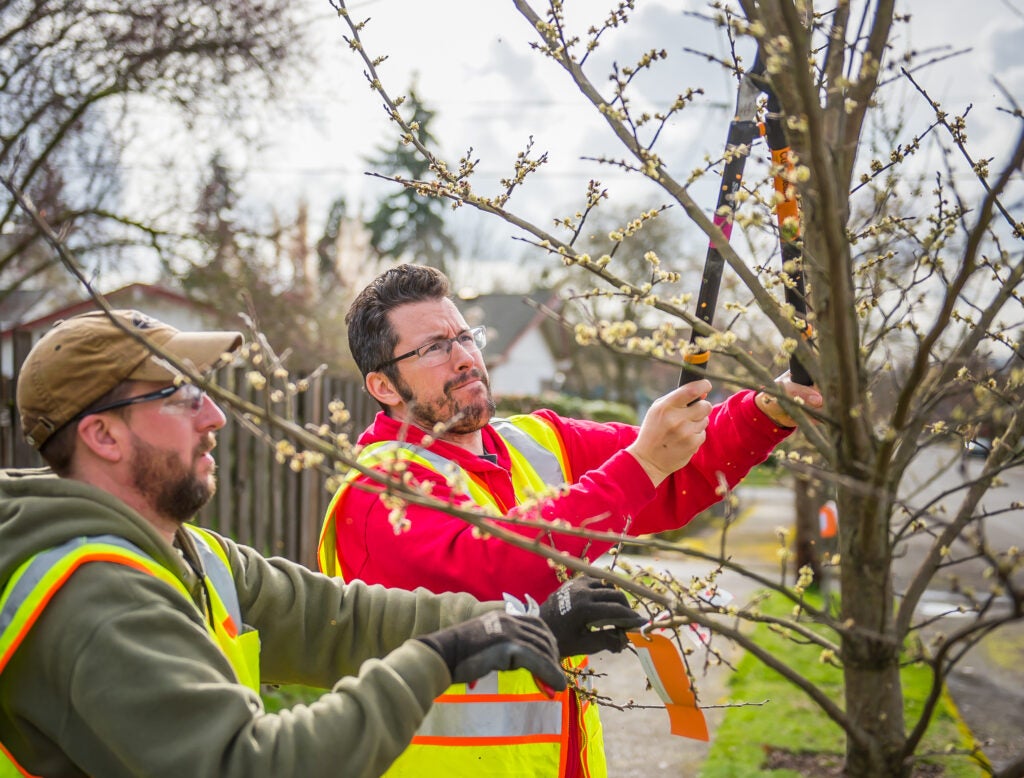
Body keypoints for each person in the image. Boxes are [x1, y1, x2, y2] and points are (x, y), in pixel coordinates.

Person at [0, 309, 642, 778]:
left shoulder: (191, 555)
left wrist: (522, 625)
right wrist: (438, 660)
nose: (215, 416)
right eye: (185, 396)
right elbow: (249, 766)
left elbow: (341, 620)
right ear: (104, 438)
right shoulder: (91, 599)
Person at [318, 263, 824, 777]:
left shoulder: (538, 442)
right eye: (433, 348)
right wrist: (641, 465)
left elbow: (678, 459)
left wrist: (769, 408)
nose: (465, 358)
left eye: (465, 337)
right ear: (384, 386)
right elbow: (495, 570)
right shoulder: (379, 489)